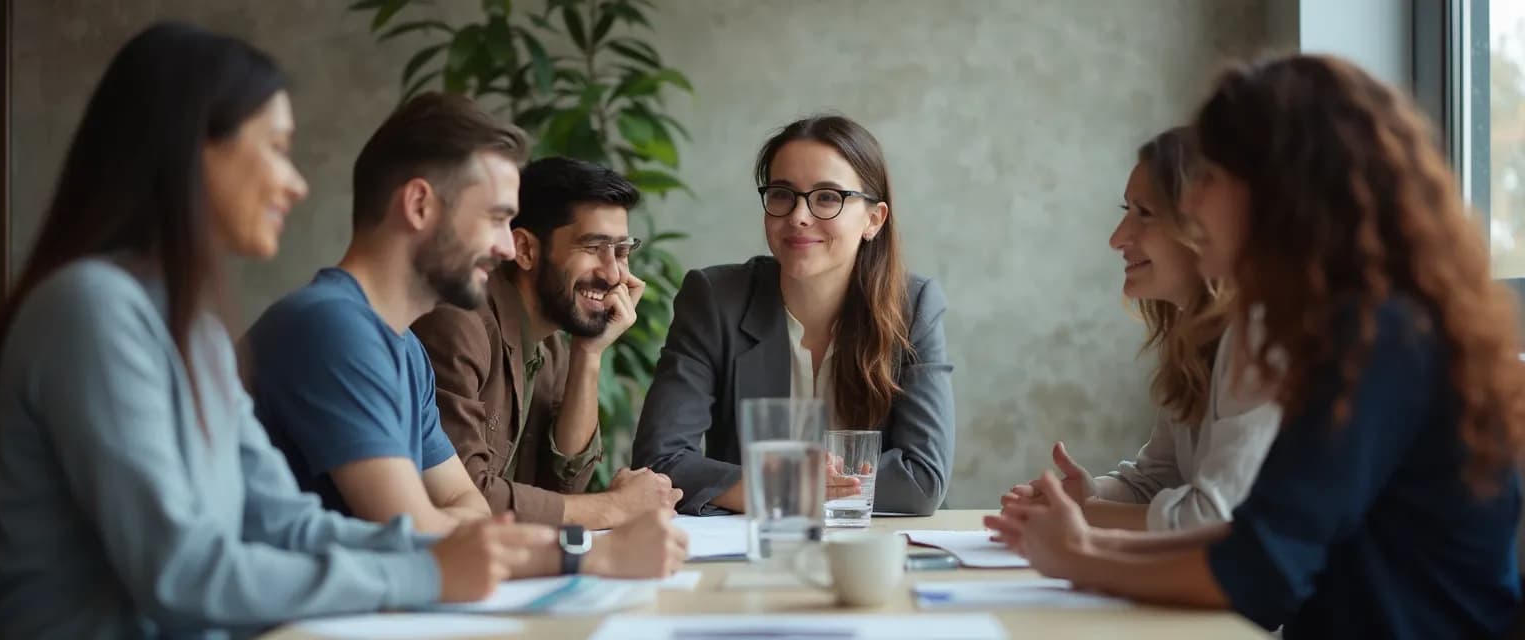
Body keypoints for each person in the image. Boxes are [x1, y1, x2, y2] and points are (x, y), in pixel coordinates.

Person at [0, 23, 544, 638]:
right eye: (277, 148)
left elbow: (286, 522)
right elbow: (182, 573)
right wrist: (423, 574)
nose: (296, 182)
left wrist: (444, 558)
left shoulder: (192, 330)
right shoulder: (88, 310)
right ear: (195, 147)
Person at [986, 54, 1525, 639]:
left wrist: (1080, 558)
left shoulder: (1380, 337)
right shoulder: (1356, 324)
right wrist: (1086, 543)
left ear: (1278, 188)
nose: (1191, 205)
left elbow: (1258, 571)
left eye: (1210, 178)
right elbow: (1253, 537)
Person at [242, 93, 686, 575]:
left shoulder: (403, 347)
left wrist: (442, 522)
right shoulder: (332, 328)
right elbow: (413, 534)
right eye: (495, 218)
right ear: (419, 205)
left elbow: (469, 508)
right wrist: (590, 555)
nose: (503, 247)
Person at [633, 115, 954, 516]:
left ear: (874, 219)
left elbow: (922, 480)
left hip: (869, 548)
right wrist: (793, 483)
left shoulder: (914, 306)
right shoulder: (716, 299)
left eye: (826, 197)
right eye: (783, 194)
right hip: (751, 549)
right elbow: (658, 464)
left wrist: (776, 486)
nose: (799, 216)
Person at [1002, 127, 1280, 532]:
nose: (1117, 238)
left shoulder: (1259, 334)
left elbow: (1213, 517)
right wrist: (1085, 494)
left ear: (1205, 224)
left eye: (1144, 213)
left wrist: (1081, 515)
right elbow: (1159, 480)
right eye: (1125, 210)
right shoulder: (1190, 338)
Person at [411, 156, 681, 529]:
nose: (614, 273)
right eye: (593, 248)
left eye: (621, 251)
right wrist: (616, 506)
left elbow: (562, 488)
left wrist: (589, 351)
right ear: (524, 250)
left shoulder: (552, 342)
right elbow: (467, 499)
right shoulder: (460, 324)